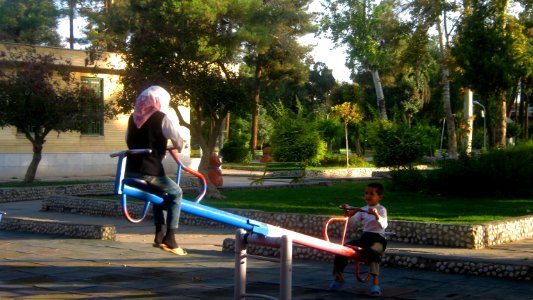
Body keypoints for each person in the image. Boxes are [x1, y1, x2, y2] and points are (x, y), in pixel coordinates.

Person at [125, 85, 188, 256]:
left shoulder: (133, 118)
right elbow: (179, 139)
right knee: (176, 193)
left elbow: (128, 140)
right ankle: (171, 237)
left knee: (159, 195)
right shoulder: (162, 117)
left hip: (131, 170)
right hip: (150, 170)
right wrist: (181, 145)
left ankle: (159, 234)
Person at [328, 182, 388, 296]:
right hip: (365, 237)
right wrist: (348, 212)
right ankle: (338, 276)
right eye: (366, 193)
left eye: (372, 194)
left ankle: (375, 283)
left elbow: (384, 225)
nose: (368, 196)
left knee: (373, 251)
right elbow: (353, 222)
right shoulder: (363, 209)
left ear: (379, 197)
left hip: (378, 239)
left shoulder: (381, 209)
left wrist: (377, 215)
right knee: (342, 249)